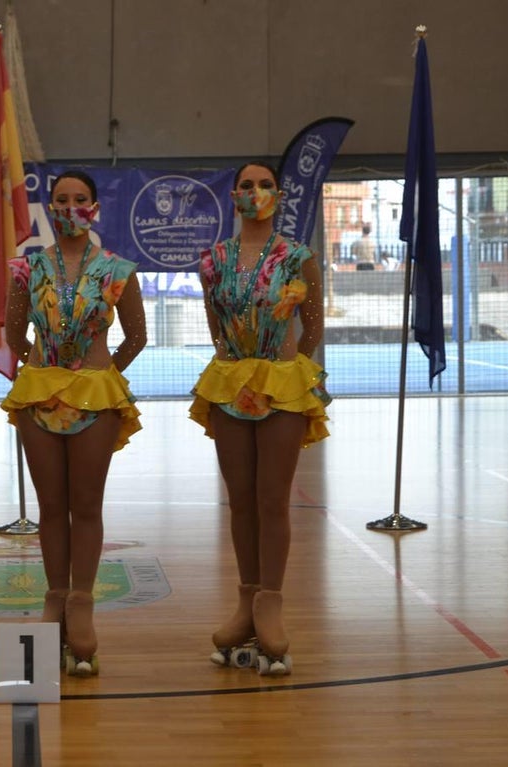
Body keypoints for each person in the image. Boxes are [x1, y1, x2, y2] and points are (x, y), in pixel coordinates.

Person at [2, 170, 147, 676]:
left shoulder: (116, 269)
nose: (70, 206)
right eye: (60, 199)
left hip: (94, 396)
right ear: (49, 207)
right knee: (51, 505)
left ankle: (81, 600)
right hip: (41, 395)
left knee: (86, 504)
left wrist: (102, 376)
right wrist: (42, 369)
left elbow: (135, 338)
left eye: (79, 199)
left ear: (94, 207)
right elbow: (13, 334)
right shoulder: (28, 268)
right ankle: (55, 595)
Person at [190, 162, 330, 676]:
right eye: (246, 186)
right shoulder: (213, 260)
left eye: (265, 185)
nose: (256, 192)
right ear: (233, 196)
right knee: (240, 500)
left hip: (282, 381)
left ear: (279, 194)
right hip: (231, 381)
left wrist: (287, 364)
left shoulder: (298, 257)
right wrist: (240, 361)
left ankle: (271, 601)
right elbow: (215, 323)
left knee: (273, 499)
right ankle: (245, 599)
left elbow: (311, 326)